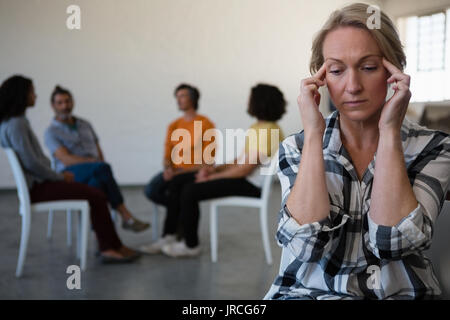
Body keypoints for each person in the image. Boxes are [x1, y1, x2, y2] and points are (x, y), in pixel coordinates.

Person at [264, 3, 450, 300]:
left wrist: (390, 132)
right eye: (337, 70)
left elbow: (393, 243)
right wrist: (313, 135)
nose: (352, 86)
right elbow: (304, 247)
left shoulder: (434, 148)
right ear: (322, 79)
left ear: (393, 70)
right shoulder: (296, 147)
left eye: (368, 67)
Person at [0, 75, 140, 264]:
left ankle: (112, 245)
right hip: (40, 187)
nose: (35, 96)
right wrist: (59, 177)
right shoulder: (18, 124)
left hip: (42, 183)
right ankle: (110, 246)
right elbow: (32, 163)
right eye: (32, 92)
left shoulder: (14, 122)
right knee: (97, 194)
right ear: (21, 95)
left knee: (96, 186)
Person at [157, 83, 286, 257]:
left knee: (190, 191)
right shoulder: (258, 127)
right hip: (243, 179)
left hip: (251, 185)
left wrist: (210, 179)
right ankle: (170, 235)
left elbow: (244, 170)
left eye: (251, 98)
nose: (248, 102)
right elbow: (240, 161)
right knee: (178, 181)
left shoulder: (269, 131)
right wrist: (213, 171)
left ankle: (190, 245)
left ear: (259, 102)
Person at [44, 85, 149, 232]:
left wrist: (98, 163)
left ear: (73, 102)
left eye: (67, 101)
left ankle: (102, 233)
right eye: (60, 103)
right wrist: (94, 163)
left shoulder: (85, 124)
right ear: (53, 106)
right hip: (70, 174)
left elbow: (98, 149)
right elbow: (66, 160)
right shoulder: (51, 132)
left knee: (97, 182)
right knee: (102, 168)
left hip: (94, 170)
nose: (65, 106)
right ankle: (125, 216)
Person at [141, 83, 216, 252]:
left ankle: (169, 234)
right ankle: (179, 220)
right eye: (177, 96)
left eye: (182, 96)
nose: (178, 100)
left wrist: (178, 172)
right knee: (152, 190)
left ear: (193, 99)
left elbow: (208, 161)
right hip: (174, 172)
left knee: (179, 187)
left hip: (193, 171)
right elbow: (167, 154)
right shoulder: (174, 125)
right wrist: (168, 168)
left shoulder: (205, 123)